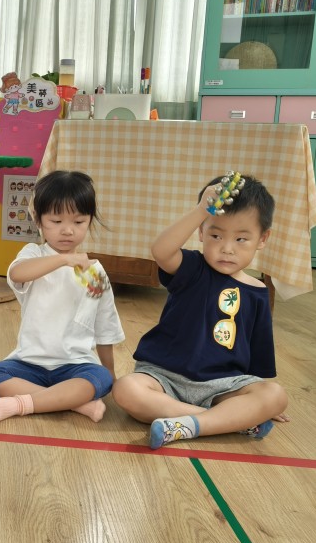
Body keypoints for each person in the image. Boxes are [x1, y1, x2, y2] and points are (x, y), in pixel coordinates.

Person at [112, 173, 289, 449]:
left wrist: (260, 404)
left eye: (241, 239)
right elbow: (161, 251)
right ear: (201, 232)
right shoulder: (192, 268)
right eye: (216, 235)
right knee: (126, 390)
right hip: (164, 377)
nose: (227, 249)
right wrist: (200, 211)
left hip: (222, 386)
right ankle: (222, 421)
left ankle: (189, 424)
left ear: (262, 238)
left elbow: (258, 358)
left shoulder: (257, 292)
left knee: (275, 395)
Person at [0, 171, 124, 426]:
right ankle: (72, 402)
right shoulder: (33, 254)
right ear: (38, 219)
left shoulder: (95, 272)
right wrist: (65, 259)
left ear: (89, 220)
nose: (67, 230)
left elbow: (105, 327)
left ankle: (21, 403)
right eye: (56, 221)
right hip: (28, 364)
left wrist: (110, 374)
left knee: (99, 378)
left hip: (75, 366)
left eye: (79, 221)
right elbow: (17, 273)